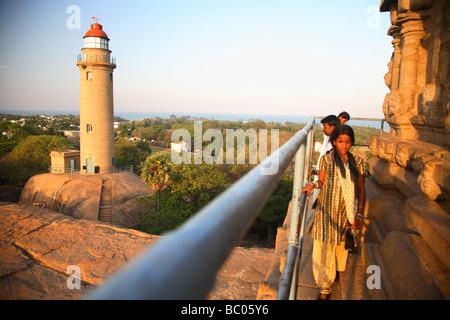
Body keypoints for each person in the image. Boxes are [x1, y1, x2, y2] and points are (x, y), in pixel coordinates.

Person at [303, 124, 366, 300]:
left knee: (339, 246)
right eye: (340, 142)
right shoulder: (326, 160)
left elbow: (361, 189)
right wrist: (312, 184)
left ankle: (334, 272)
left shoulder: (358, 163)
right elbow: (321, 181)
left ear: (351, 142)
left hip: (347, 212)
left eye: (347, 142)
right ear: (334, 142)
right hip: (326, 210)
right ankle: (324, 288)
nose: (344, 145)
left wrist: (359, 214)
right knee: (323, 248)